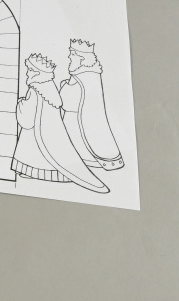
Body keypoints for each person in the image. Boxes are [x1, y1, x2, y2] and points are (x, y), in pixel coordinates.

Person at [11, 54, 109, 193]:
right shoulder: (49, 86)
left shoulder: (35, 89)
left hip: (35, 131)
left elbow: (27, 117)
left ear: (37, 72)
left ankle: (32, 172)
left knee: (33, 152)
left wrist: (21, 103)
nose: (27, 73)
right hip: (44, 129)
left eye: (30, 70)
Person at [60, 40, 124, 170]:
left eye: (72, 53)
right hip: (70, 120)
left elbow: (69, 100)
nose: (69, 56)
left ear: (81, 58)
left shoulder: (86, 77)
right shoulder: (78, 75)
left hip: (78, 122)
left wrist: (64, 88)